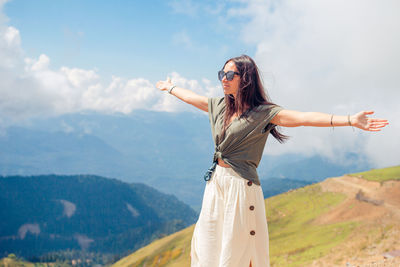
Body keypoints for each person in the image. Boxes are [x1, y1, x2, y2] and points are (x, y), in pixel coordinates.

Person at [155, 54, 389, 267]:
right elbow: (192, 98)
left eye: (229, 75)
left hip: (240, 187)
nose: (223, 79)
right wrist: (170, 87)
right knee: (209, 243)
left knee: (239, 248)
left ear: (245, 78)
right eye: (221, 74)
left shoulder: (263, 113)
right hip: (216, 183)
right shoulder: (220, 107)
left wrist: (349, 119)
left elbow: (304, 118)